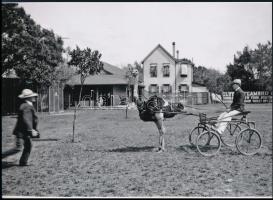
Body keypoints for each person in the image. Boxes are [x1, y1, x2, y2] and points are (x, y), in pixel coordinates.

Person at [2, 89, 39, 166]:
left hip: (25, 131)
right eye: (32, 96)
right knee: (18, 148)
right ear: (28, 98)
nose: (34, 97)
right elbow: (26, 119)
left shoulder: (28, 105)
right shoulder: (26, 106)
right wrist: (31, 129)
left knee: (28, 146)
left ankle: (23, 162)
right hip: (21, 132)